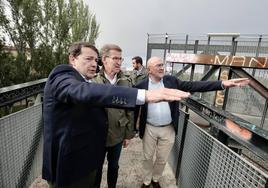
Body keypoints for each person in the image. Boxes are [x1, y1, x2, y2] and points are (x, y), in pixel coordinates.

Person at [42, 42, 191, 188]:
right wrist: (143, 95)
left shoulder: (100, 79)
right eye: (88, 59)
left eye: (95, 60)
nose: (94, 64)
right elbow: (85, 92)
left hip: (93, 153)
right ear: (72, 59)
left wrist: (128, 134)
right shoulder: (62, 75)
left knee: (112, 167)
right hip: (69, 167)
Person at [135, 57, 250, 188]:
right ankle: (146, 181)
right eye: (158, 65)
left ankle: (155, 179)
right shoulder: (141, 86)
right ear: (149, 70)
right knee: (147, 157)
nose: (162, 67)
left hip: (168, 128)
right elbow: (134, 107)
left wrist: (222, 84)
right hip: (150, 127)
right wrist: (132, 128)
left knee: (162, 158)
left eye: (162, 65)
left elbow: (195, 85)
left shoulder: (171, 81)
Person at [93, 44, 135, 188]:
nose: (119, 62)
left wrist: (129, 135)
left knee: (114, 166)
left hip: (118, 133)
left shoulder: (126, 82)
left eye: (121, 59)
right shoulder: (93, 81)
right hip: (97, 135)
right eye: (115, 58)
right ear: (104, 59)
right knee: (95, 167)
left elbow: (130, 109)